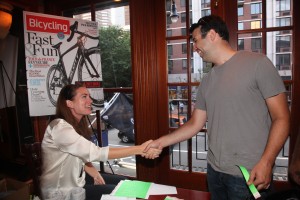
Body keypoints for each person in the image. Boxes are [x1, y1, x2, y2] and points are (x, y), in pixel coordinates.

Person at [145, 15, 290, 200]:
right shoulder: (207, 80)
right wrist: (160, 142)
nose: (194, 48)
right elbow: (195, 124)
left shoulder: (258, 64)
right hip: (214, 172)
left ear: (212, 35)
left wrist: (267, 163)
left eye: (196, 40)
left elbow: (282, 118)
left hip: (249, 175)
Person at [40, 83, 161, 200]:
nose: (90, 100)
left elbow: (81, 154)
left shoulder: (74, 125)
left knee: (124, 182)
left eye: (88, 96)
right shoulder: (60, 129)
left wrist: (94, 172)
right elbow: (96, 153)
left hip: (76, 181)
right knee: (119, 193)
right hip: (61, 192)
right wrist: (140, 149)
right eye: (84, 97)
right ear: (69, 103)